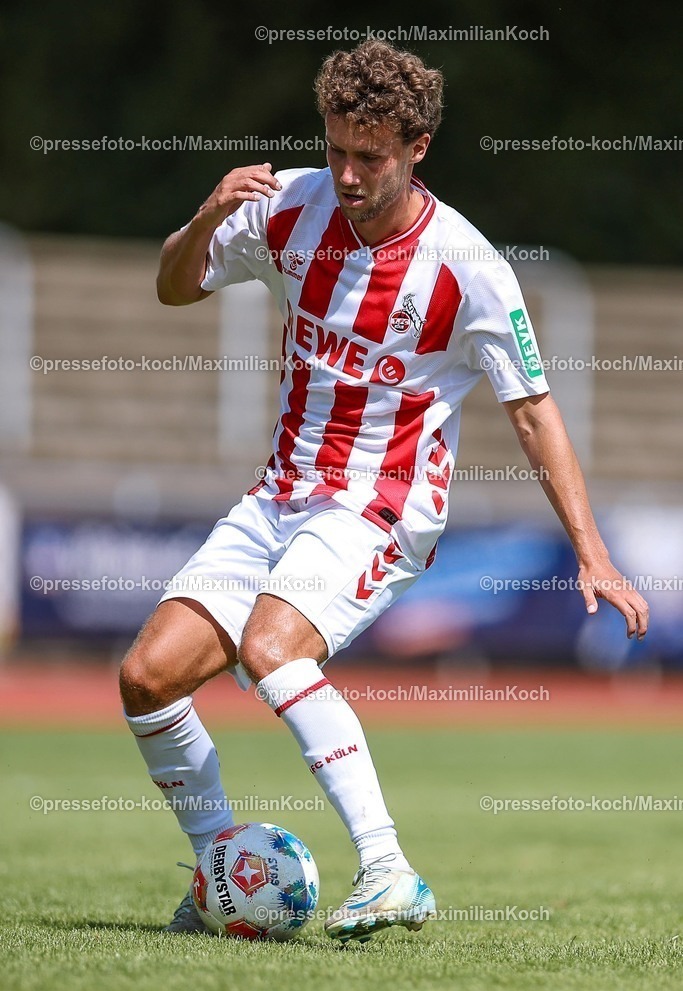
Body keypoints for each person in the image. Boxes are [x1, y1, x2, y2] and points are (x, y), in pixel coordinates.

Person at [119, 39, 649, 944]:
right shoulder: (286, 206)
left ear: (417, 148)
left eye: (370, 156)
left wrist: (591, 554)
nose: (349, 173)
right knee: (146, 678)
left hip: (383, 503)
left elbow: (533, 410)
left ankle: (388, 868)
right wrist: (207, 217)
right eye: (335, 150)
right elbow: (174, 289)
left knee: (273, 648)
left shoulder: (466, 263)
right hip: (282, 492)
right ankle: (219, 870)